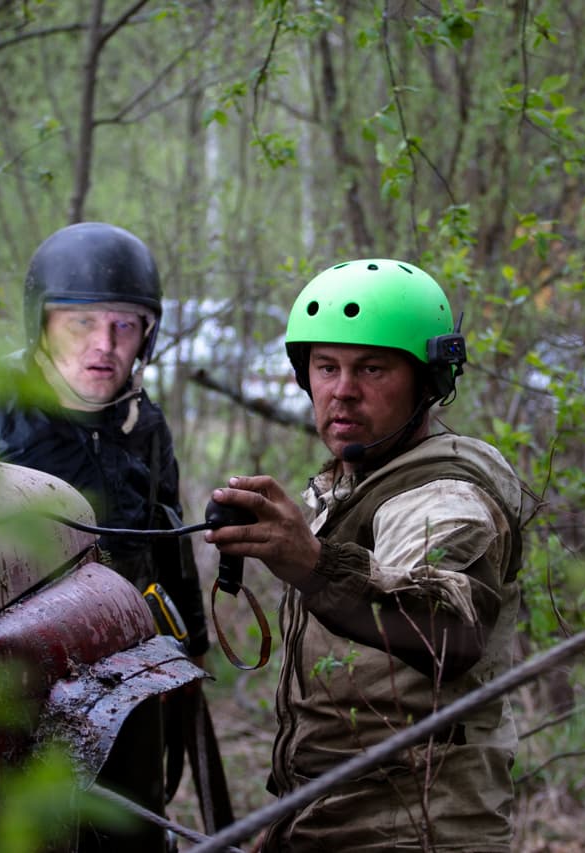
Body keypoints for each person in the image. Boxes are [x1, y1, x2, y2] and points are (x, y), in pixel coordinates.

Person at [206, 258, 531, 851]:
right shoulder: (358, 476)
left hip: (417, 828)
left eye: (372, 368)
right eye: (326, 367)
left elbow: (450, 631)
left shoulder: (443, 493)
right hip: (328, 819)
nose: (342, 391)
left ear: (428, 381)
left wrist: (314, 564)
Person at [0, 221, 212, 850]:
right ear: (42, 324)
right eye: (80, 323)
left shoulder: (145, 424)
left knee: (131, 830)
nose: (104, 345)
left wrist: (192, 645)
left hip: (130, 673)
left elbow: (168, 537)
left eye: (124, 324)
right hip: (15, 682)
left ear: (148, 333)